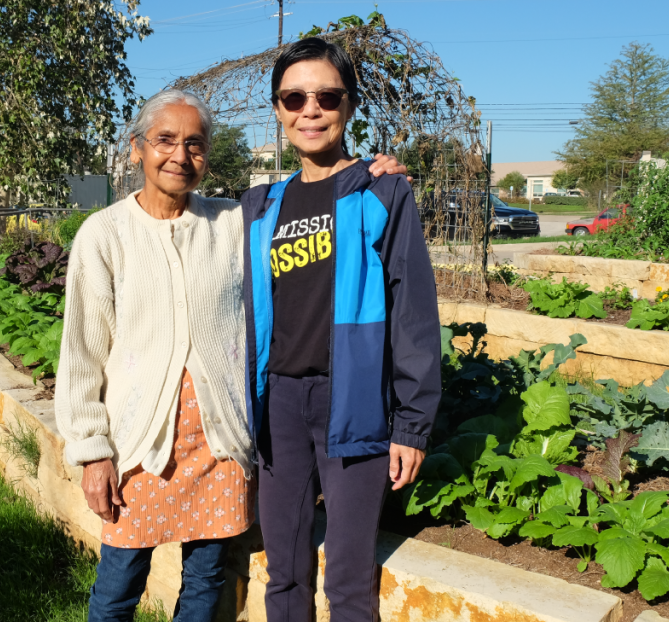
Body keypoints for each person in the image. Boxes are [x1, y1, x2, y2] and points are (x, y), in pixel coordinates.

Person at [54, 88, 410, 622]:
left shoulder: (232, 223)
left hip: (219, 445)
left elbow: (309, 208)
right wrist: (92, 451)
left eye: (195, 144)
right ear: (136, 149)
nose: (180, 155)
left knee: (206, 581)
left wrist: (369, 175)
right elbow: (82, 350)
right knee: (119, 584)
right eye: (165, 141)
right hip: (138, 447)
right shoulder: (104, 235)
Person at [241, 38, 442, 621]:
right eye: (294, 97)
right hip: (277, 404)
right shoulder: (259, 206)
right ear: (278, 110)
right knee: (285, 574)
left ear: (348, 105)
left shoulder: (382, 191)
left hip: (352, 401)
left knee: (350, 582)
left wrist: (412, 423)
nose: (311, 110)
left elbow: (413, 313)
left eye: (326, 96)